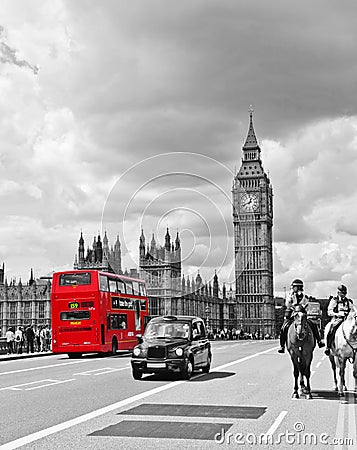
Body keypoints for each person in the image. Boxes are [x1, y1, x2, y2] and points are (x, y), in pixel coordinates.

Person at [278, 279, 325, 353]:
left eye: (294, 287)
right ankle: (282, 346)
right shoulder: (290, 296)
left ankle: (319, 341)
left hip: (302, 314)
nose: (292, 288)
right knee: (284, 328)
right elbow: (287, 304)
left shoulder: (304, 297)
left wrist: (302, 308)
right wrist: (291, 298)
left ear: (298, 287)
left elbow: (306, 305)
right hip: (292, 315)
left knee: (313, 325)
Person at [324, 285, 353, 356]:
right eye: (341, 293)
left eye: (344, 293)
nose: (343, 295)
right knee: (331, 329)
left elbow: (352, 310)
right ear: (338, 293)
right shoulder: (334, 300)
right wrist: (337, 314)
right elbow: (329, 311)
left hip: (347, 319)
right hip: (337, 319)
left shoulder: (348, 302)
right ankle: (328, 346)